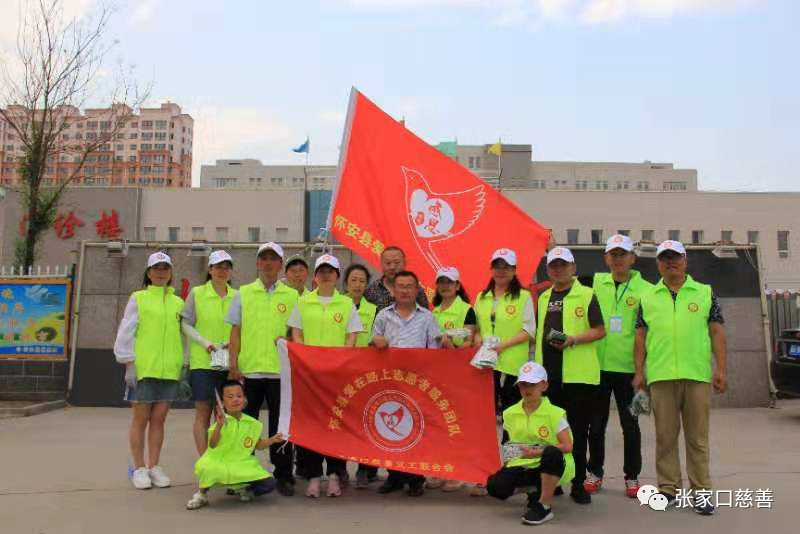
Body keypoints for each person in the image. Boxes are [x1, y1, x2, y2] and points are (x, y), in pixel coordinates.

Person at [633, 240, 727, 516]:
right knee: (665, 437)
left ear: (685, 261)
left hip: (696, 375)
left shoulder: (705, 292)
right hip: (661, 376)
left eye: (676, 258)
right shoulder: (648, 297)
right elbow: (640, 337)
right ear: (658, 263)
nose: (670, 263)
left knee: (697, 439)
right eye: (665, 258)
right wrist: (639, 371)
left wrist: (721, 369)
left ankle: (701, 492)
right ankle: (668, 488)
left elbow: (717, 332)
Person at [226, 242, 299, 497]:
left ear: (281, 265)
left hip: (281, 373)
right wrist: (233, 365)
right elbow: (235, 332)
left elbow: (297, 333)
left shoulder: (292, 296)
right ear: (258, 263)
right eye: (264, 259)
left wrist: (289, 342)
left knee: (281, 427)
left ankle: (284, 475)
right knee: (245, 426)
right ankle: (241, 474)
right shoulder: (243, 293)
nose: (268, 263)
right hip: (249, 371)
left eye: (273, 259)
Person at [533, 246, 605, 505]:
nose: (558, 269)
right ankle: (555, 481)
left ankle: (578, 484)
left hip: (578, 377)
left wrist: (573, 339)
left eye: (563, 265)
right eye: (553, 265)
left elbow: (600, 330)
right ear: (548, 270)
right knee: (551, 434)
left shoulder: (586, 294)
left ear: (573, 268)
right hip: (549, 378)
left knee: (577, 433)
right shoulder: (544, 297)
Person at [289, 254, 363, 498]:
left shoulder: (346, 304)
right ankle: (313, 475)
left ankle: (334, 475)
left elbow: (352, 337)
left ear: (337, 276)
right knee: (312, 426)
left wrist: (340, 361)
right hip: (310, 376)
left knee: (335, 426)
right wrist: (307, 359)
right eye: (322, 271)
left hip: (336, 376)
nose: (326, 275)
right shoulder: (303, 302)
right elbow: (297, 334)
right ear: (316, 276)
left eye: (330, 271)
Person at [585, 235, 653, 497]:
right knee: (596, 425)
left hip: (629, 371)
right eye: (613, 254)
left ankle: (632, 477)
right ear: (606, 258)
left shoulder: (647, 289)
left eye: (623, 254)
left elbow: (647, 334)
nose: (618, 259)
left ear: (632, 258)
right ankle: (594, 473)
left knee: (631, 425)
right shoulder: (594, 283)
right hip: (597, 368)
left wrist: (641, 371)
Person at [114, 252, 184, 490]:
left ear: (171, 273)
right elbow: (127, 330)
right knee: (140, 420)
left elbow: (184, 335)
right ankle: (139, 468)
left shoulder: (178, 302)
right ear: (148, 273)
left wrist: (182, 364)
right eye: (156, 268)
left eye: (165, 268)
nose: (161, 273)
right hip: (143, 368)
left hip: (169, 370)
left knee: (159, 420)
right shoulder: (139, 298)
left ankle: (154, 466)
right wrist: (128, 362)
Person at [372, 270, 442, 497]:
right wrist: (376, 341)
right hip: (389, 382)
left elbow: (435, 352)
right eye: (400, 286)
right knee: (390, 430)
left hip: (417, 383)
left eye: (409, 286)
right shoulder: (383, 316)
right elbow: (372, 344)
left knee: (415, 430)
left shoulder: (427, 318)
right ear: (393, 290)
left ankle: (415, 478)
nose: (404, 290)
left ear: (416, 290)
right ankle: (394, 476)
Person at [487, 362, 575, 525]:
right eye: (523, 384)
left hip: (552, 463)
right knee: (495, 486)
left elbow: (568, 446)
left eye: (533, 384)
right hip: (524, 463)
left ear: (544, 386)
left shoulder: (555, 413)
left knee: (551, 453)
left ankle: (544, 506)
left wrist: (538, 451)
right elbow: (509, 444)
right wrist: (508, 468)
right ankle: (534, 488)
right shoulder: (510, 413)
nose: (527, 389)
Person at [186, 380, 286, 510]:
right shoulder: (220, 423)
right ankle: (201, 495)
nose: (235, 400)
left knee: (269, 484)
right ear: (222, 403)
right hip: (219, 462)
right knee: (208, 468)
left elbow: (259, 445)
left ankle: (244, 489)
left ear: (245, 400)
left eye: (239, 396)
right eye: (230, 397)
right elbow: (212, 445)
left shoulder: (253, 424)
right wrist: (219, 426)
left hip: (241, 464)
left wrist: (272, 440)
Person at [426, 266, 481, 495]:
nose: (445, 286)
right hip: (436, 374)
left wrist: (451, 346)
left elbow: (468, 342)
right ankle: (440, 469)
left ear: (458, 286)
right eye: (441, 282)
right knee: (438, 423)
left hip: (458, 374)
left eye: (449, 282)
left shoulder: (467, 310)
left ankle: (458, 472)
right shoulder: (433, 312)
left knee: (456, 424)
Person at [182, 250, 238, 456]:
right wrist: (204, 342)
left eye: (227, 267)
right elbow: (185, 324)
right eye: (218, 267)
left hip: (229, 363)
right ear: (210, 269)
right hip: (203, 363)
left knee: (224, 413)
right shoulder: (197, 293)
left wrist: (232, 343)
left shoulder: (238, 296)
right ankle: (204, 460)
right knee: (203, 413)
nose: (222, 271)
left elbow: (242, 327)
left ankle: (221, 458)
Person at [474, 248, 535, 417]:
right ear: (491, 269)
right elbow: (476, 327)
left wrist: (503, 345)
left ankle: (510, 436)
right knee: (487, 411)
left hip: (512, 364)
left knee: (511, 411)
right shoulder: (481, 297)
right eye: (497, 267)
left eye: (506, 267)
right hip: (486, 362)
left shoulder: (523, 297)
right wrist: (477, 337)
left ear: (514, 270)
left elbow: (529, 331)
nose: (501, 271)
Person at [343, 263, 381, 489]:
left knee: (366, 423)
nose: (357, 285)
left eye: (362, 281)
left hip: (366, 376)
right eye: (353, 280)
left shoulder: (374, 310)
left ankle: (365, 470)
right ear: (345, 283)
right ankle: (339, 469)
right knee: (341, 423)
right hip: (341, 373)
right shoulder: (337, 305)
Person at [364, 246, 429, 311]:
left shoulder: (416, 290)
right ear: (381, 264)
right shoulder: (371, 291)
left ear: (404, 263)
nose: (392, 267)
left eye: (397, 262)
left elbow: (425, 314)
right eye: (388, 263)